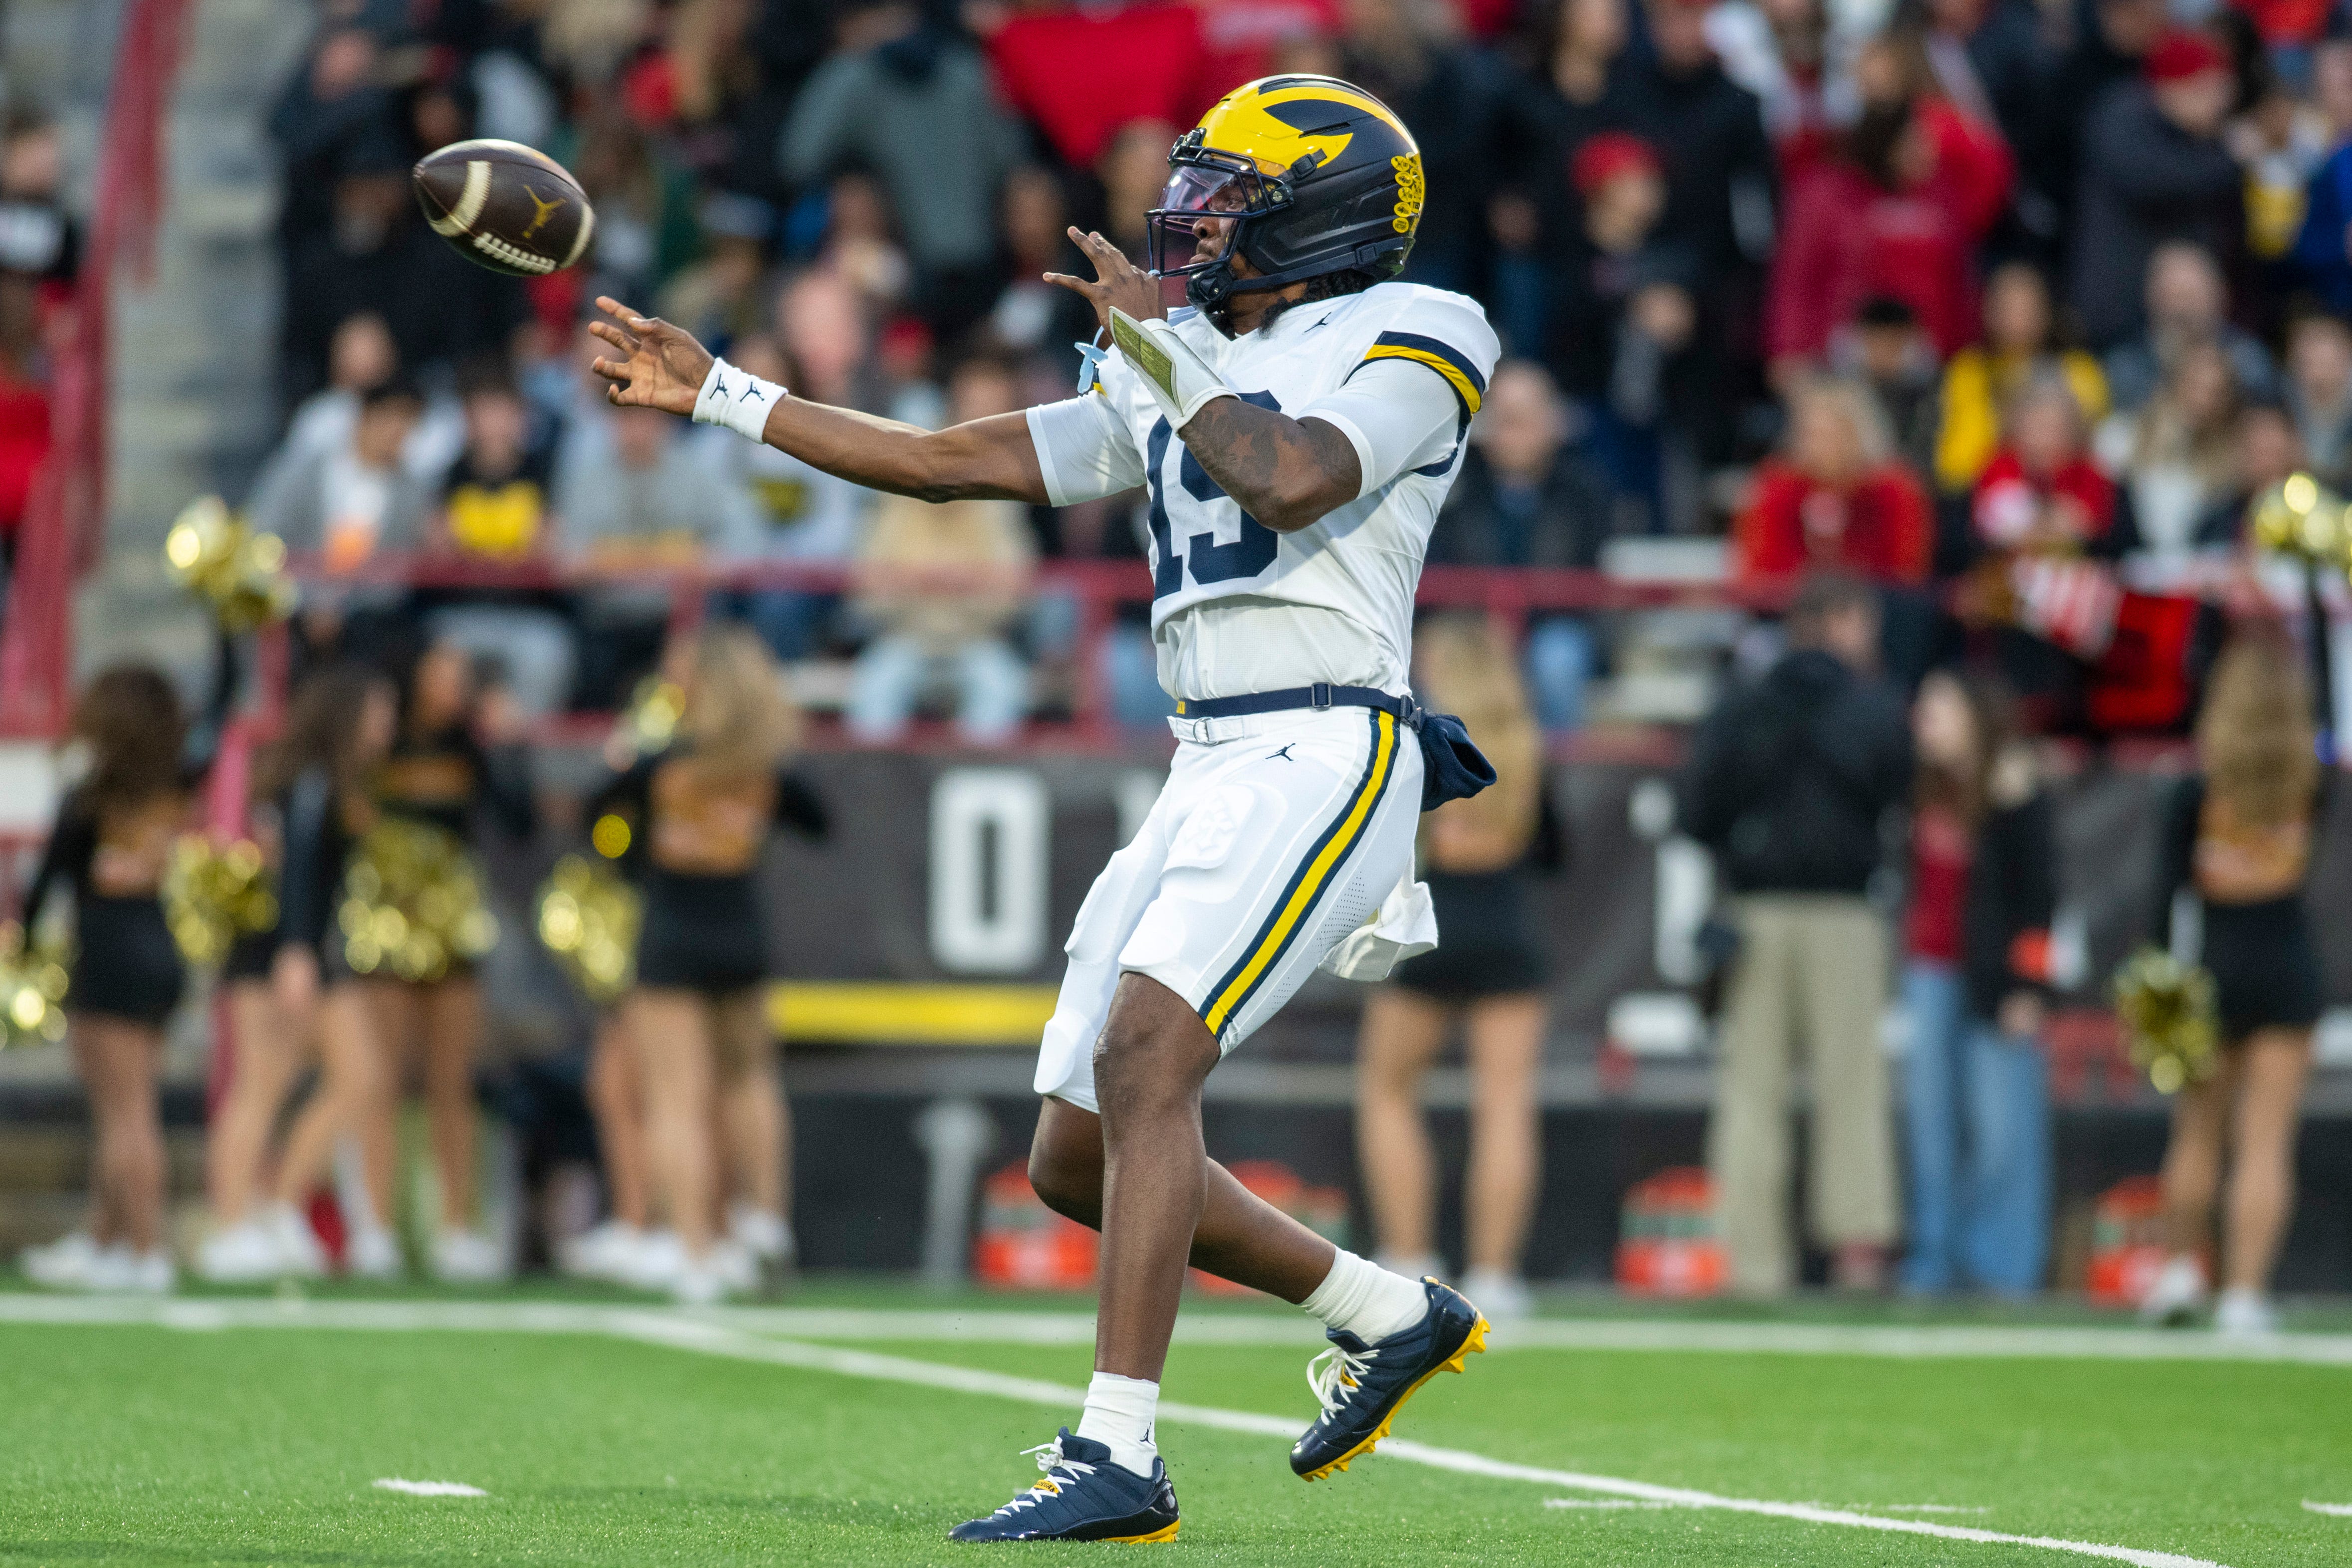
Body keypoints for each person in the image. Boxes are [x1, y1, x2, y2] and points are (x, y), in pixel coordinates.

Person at [588, 72, 1498, 1542]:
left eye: (1231, 204)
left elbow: (1291, 476)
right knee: (1073, 1154)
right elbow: (947, 463)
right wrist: (723, 395)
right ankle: (1384, 1312)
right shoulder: (1183, 352)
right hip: (1208, 756)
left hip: (1330, 741)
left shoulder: (1418, 326)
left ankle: (1115, 1454)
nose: (1194, 225)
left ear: (1320, 222)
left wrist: (1166, 345)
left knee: (1147, 1053)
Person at [1678, 571, 1913, 1295]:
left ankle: (1753, 1261)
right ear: (1839, 618)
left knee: (1752, 1090)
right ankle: (1856, 1250)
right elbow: (1899, 792)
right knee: (1852, 1084)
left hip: (1755, 910)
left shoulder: (1743, 702)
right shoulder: (1873, 705)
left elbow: (1694, 811)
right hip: (1844, 912)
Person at [588, 625, 827, 1302]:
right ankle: (765, 1219)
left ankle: (695, 1250)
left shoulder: (660, 762)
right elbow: (819, 821)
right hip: (740, 932)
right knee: (751, 1079)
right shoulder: (763, 768)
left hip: (672, 934)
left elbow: (599, 826)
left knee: (677, 1098)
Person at [1353, 618, 1555, 1321]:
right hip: (1505, 924)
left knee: (1387, 1090)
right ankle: (1495, 1273)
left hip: (1431, 919)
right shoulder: (1524, 744)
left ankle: (1408, 1258)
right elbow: (1549, 847)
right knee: (1505, 1100)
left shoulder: (1419, 734)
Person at [2138, 637, 2326, 1336]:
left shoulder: (2194, 789)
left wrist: (2160, 983)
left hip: (2212, 973)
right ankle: (2243, 1294)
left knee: (2195, 1132)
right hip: (2288, 971)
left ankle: (2177, 1272)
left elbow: (2163, 899)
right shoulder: (2311, 786)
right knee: (2264, 1141)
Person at [15, 666, 219, 1293]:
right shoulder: (177, 783)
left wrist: (22, 946)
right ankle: (103, 1239)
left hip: (108, 957)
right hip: (160, 952)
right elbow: (222, 700)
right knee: (125, 1110)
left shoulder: (87, 798)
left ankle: (146, 1246)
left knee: (125, 1115)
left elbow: (44, 886)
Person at [365, 641, 536, 1282]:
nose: (453, 684)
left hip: (452, 921)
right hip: (384, 917)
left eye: (461, 675)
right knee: (382, 1078)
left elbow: (517, 821)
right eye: (442, 671)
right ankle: (376, 1227)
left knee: (451, 1080)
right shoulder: (382, 739)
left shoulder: (470, 747)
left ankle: (456, 1227)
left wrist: (505, 745)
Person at [1899, 670, 2056, 1297]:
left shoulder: (2014, 794)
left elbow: (2040, 899)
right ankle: (1932, 1257)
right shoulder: (1918, 788)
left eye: (1939, 708)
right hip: (1928, 970)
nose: (1924, 720)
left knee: (2000, 1127)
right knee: (1929, 1123)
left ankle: (2001, 1265)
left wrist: (2029, 985)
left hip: (1994, 979)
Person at [266, 665, 407, 1280]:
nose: (387, 725)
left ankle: (297, 1206)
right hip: (315, 954)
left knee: (362, 1081)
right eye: (378, 712)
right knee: (353, 1078)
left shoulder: (346, 782)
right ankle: (279, 1203)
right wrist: (297, 949)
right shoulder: (314, 781)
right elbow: (298, 869)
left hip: (330, 952)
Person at [845, 358, 1038, 744]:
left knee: (1001, 688)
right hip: (905, 638)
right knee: (872, 691)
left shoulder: (999, 503)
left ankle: (979, 777)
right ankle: (875, 779)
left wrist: (961, 584)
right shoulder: (894, 501)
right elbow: (864, 589)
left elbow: (1017, 589)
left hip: (976, 641)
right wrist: (917, 583)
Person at [2068, 34, 2245, 350]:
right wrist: (2230, 159)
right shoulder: (2121, 118)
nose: (2220, 104)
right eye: (2208, 90)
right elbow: (2156, 180)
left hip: (2184, 319)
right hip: (2121, 314)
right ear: (2174, 87)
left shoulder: (2198, 138)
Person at [1733, 377, 1932, 586]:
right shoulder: (1778, 487)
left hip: (1878, 601)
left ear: (1862, 436)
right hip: (1790, 603)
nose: (1821, 446)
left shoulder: (1893, 491)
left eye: (1834, 434)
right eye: (1813, 434)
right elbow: (1761, 570)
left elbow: (1905, 570)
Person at [1933, 263, 2111, 494]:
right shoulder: (1968, 371)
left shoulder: (2081, 370)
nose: (2016, 319)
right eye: (2007, 308)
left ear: (2046, 312)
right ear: (1988, 312)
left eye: (2026, 308)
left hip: (2067, 493)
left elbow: (2092, 452)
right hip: (1986, 491)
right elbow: (1955, 466)